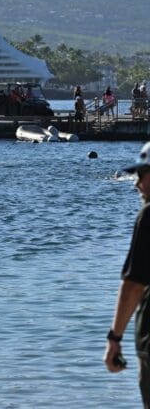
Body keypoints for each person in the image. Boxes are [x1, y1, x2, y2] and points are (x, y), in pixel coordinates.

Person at [103, 141, 150, 404]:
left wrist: (114, 339)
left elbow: (133, 285)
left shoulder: (149, 216)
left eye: (142, 175)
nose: (136, 184)